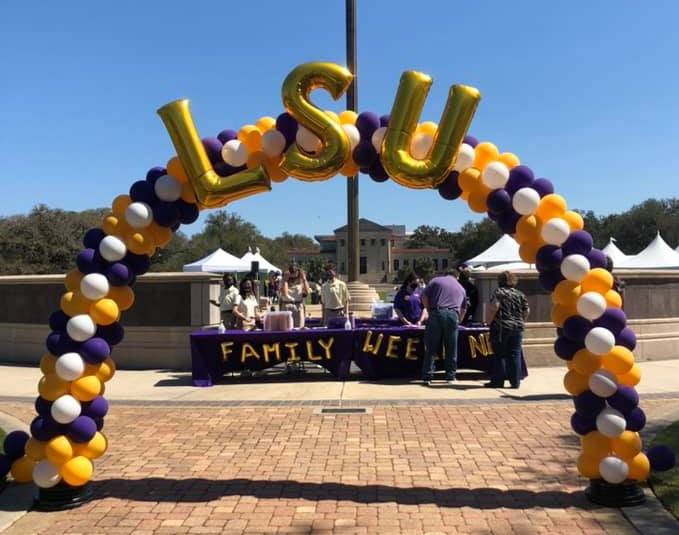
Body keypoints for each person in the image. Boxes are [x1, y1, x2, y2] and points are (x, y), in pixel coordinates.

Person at [420, 269, 466, 386]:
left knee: (431, 346)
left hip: (436, 312)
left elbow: (424, 296)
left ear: (445, 274)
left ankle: (427, 376)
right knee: (451, 347)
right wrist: (459, 320)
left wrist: (429, 309)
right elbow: (464, 309)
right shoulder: (461, 288)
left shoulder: (435, 281)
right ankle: (450, 376)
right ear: (457, 277)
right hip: (453, 315)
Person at [485, 271, 529, 389]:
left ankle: (498, 381)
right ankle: (515, 382)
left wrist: (488, 322)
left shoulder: (499, 292)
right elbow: (526, 311)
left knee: (499, 354)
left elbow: (494, 306)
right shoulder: (520, 294)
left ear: (500, 281)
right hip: (517, 328)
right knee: (514, 354)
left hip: (501, 327)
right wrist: (521, 321)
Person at [280, 263, 310, 328]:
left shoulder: (301, 282)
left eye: (295, 272)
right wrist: (285, 279)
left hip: (298, 306)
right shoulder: (283, 281)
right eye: (291, 272)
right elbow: (284, 293)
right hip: (286, 306)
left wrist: (304, 278)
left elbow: (307, 292)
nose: (293, 275)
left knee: (299, 327)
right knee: (286, 328)